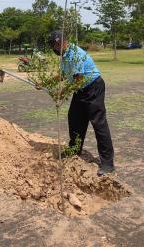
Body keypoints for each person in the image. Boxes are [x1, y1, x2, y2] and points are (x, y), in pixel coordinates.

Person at [48, 30, 115, 176]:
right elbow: (63, 75)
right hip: (80, 89)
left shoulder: (75, 54)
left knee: (99, 123)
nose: (53, 49)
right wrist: (46, 83)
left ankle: (108, 164)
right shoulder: (65, 55)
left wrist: (62, 93)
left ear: (60, 42)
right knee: (75, 118)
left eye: (54, 45)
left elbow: (77, 78)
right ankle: (75, 149)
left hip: (92, 88)